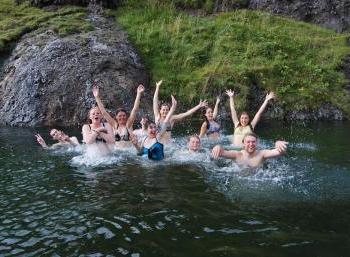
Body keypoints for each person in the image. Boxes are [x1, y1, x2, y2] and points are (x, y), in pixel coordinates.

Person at [93, 83, 144, 148]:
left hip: (129, 153)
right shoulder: (114, 125)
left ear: (126, 116)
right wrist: (97, 97)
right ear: (116, 117)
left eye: (124, 115)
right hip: (117, 154)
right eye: (120, 116)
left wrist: (139, 94)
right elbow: (104, 113)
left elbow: (135, 109)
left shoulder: (129, 124)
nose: (122, 117)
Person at [132, 95, 177, 160]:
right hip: (146, 166)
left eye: (154, 127)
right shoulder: (144, 140)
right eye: (151, 127)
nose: (153, 129)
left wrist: (173, 107)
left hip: (158, 165)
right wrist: (135, 145)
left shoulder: (158, 136)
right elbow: (140, 152)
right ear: (147, 129)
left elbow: (166, 120)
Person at [212, 132, 288, 168]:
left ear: (257, 143)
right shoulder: (237, 155)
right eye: (248, 142)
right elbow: (222, 152)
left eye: (253, 142)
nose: (251, 144)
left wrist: (278, 144)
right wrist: (218, 147)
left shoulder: (262, 154)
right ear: (243, 143)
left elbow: (280, 152)